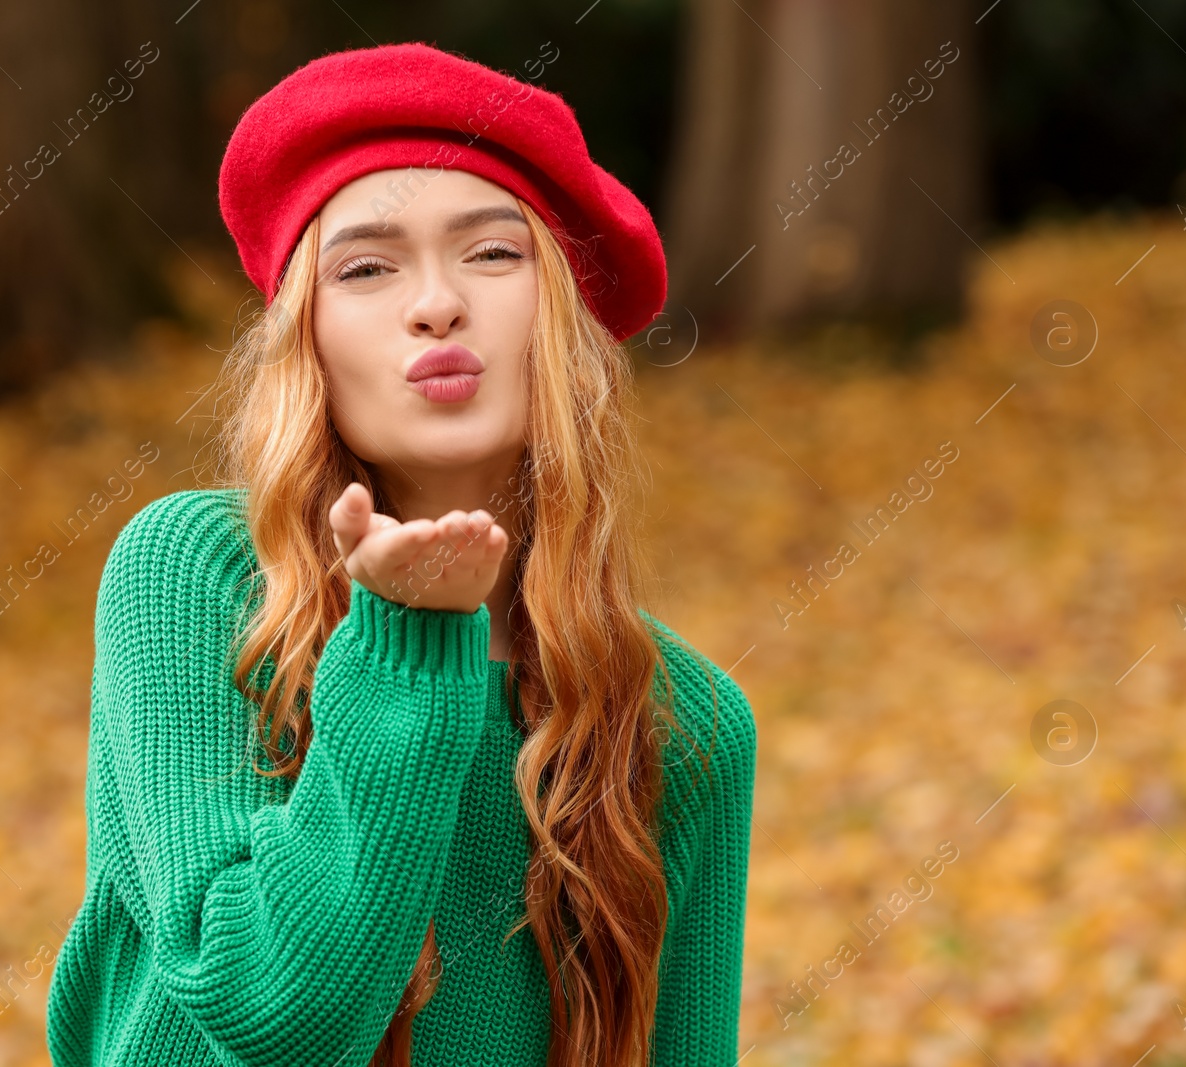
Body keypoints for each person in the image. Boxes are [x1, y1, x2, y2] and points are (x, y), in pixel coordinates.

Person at [46, 41, 756, 1067]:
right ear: (309, 340)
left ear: (561, 321)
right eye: (367, 267)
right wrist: (410, 638)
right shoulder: (195, 577)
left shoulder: (684, 722)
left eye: (492, 252)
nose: (436, 302)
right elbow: (279, 1013)